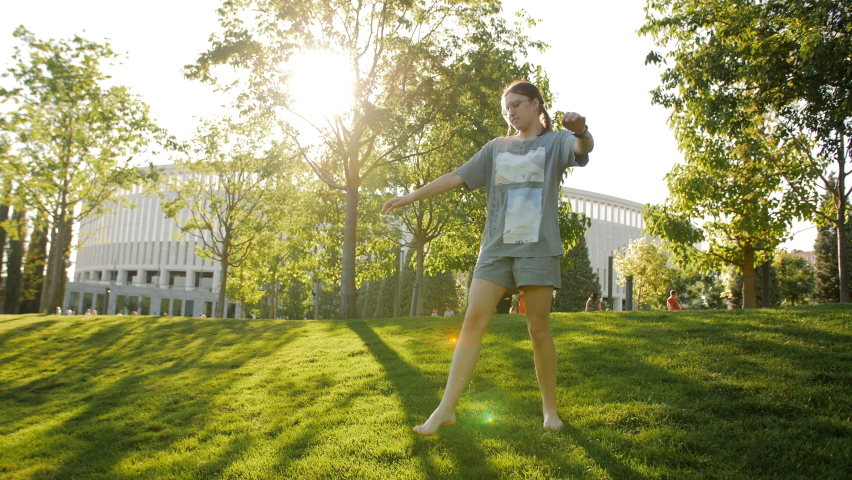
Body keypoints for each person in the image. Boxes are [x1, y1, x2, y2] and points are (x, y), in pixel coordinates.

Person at [382, 80, 593, 435]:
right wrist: (411, 197)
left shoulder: (554, 142)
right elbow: (456, 175)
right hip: (495, 250)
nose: (510, 112)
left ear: (536, 105)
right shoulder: (496, 148)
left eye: (517, 104)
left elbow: (583, 147)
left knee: (538, 329)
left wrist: (583, 130)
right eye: (505, 108)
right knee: (471, 322)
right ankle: (445, 409)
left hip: (537, 248)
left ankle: (550, 411)